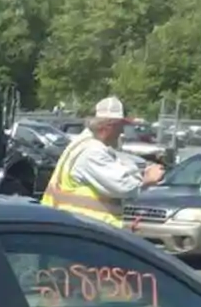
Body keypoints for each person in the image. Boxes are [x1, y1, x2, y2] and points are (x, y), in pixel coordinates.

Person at [40, 96, 166, 226]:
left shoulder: (84, 145)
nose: (122, 132)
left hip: (79, 229)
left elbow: (122, 171)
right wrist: (147, 179)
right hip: (85, 231)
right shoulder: (92, 152)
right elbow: (123, 186)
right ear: (109, 127)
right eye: (120, 127)